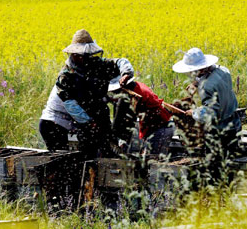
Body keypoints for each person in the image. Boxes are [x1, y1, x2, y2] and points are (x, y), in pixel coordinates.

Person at [40, 29, 134, 159]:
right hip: (68, 123)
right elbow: (71, 106)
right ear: (72, 54)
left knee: (107, 153)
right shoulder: (66, 76)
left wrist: (126, 74)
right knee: (76, 160)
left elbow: (120, 62)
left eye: (83, 55)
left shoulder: (97, 65)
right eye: (77, 55)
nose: (81, 58)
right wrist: (90, 123)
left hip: (93, 119)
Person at [172, 47, 241, 181]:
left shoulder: (207, 86)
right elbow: (214, 80)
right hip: (234, 123)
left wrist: (194, 113)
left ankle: (218, 192)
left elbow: (211, 113)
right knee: (231, 162)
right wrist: (197, 82)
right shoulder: (224, 71)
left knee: (216, 167)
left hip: (220, 130)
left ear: (201, 68)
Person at [108, 77, 174, 157]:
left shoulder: (136, 95)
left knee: (153, 163)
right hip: (154, 127)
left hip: (161, 129)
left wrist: (118, 138)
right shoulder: (136, 87)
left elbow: (124, 121)